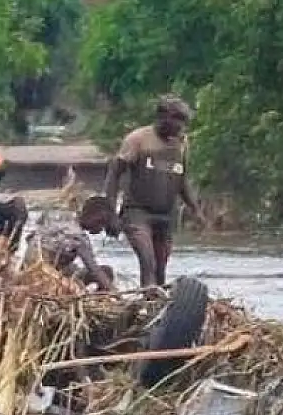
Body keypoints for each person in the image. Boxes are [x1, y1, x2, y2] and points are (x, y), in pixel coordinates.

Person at [103, 94, 206, 289]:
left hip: (165, 215)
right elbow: (114, 173)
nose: (180, 127)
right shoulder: (138, 139)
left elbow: (182, 180)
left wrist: (196, 210)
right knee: (147, 260)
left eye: (183, 122)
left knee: (160, 269)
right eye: (177, 120)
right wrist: (110, 213)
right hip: (137, 213)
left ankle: (157, 307)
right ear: (162, 117)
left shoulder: (181, 143)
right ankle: (147, 301)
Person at [24, 196, 116, 292]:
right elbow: (95, 271)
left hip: (31, 269)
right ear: (96, 218)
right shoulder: (79, 238)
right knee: (106, 273)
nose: (101, 230)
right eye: (102, 224)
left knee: (79, 270)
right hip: (44, 275)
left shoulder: (64, 219)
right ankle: (100, 299)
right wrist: (114, 292)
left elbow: (30, 237)